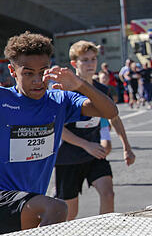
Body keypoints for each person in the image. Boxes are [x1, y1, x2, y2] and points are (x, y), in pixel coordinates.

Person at [0, 32, 118, 233]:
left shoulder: (59, 101)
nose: (38, 80)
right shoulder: (3, 99)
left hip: (28, 199)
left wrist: (80, 85)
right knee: (56, 207)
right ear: (12, 71)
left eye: (42, 72)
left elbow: (110, 111)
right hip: (5, 196)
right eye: (28, 73)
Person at [54, 41, 135, 221]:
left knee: (108, 194)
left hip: (94, 155)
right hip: (68, 158)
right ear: (74, 64)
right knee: (69, 213)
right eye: (85, 60)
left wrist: (126, 147)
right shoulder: (63, 92)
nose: (91, 64)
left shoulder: (101, 90)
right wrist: (86, 145)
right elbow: (59, 129)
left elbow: (114, 117)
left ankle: (104, 230)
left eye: (93, 59)